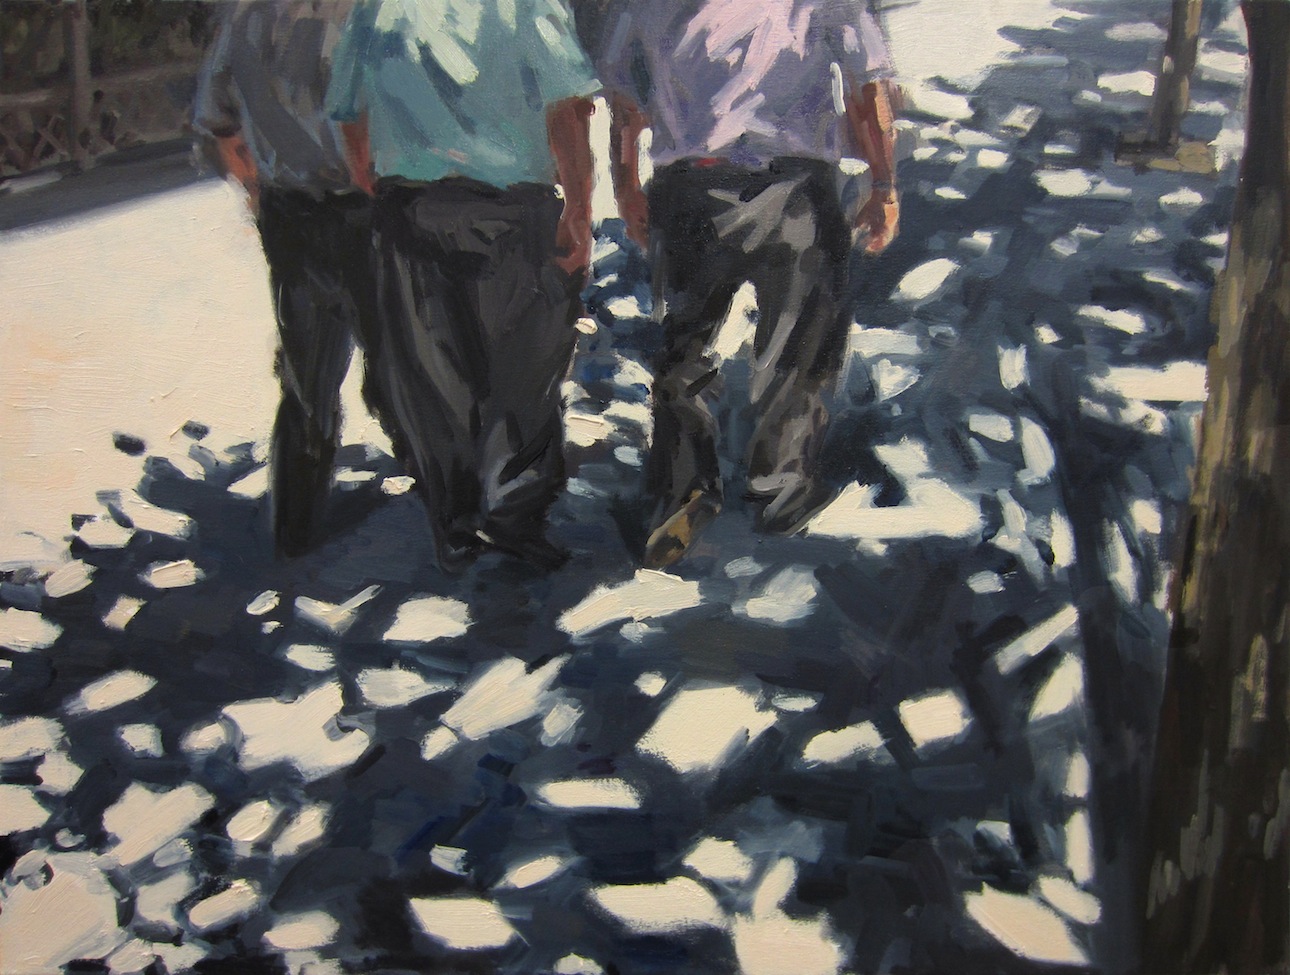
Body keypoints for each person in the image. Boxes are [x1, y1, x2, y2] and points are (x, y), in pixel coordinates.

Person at [591, 0, 902, 568]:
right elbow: (868, 86)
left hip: (691, 184)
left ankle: (684, 489)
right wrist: (883, 183)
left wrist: (628, 184)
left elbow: (625, 101)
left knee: (686, 345)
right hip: (795, 183)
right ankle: (781, 486)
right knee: (802, 342)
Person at [326, 0, 598, 573]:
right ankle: (514, 515)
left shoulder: (375, 8)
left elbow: (349, 114)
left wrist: (370, 183)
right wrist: (578, 210)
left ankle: (456, 520)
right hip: (513, 206)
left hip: (411, 205)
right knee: (523, 366)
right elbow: (568, 108)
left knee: (433, 371)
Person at [193, 0, 399, 558]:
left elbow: (221, 123)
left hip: (289, 210)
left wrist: (256, 191)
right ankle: (440, 499)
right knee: (394, 352)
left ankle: (295, 523)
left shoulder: (245, 19)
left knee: (307, 374)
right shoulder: (365, 13)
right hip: (363, 208)